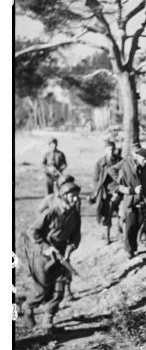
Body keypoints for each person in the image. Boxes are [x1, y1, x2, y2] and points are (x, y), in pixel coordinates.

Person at [22, 182, 82, 333]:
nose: (75, 199)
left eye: (76, 195)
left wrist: (70, 248)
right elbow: (32, 231)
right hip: (42, 255)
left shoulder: (75, 215)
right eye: (72, 195)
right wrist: (46, 248)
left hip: (60, 255)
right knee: (42, 291)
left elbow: (76, 236)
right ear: (63, 196)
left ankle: (48, 319)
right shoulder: (51, 213)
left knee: (60, 289)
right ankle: (28, 307)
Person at [117, 148, 146, 259]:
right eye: (143, 159)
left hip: (144, 201)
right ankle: (129, 249)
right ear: (137, 157)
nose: (145, 161)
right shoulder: (126, 166)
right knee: (130, 226)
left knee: (142, 224)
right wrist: (130, 190)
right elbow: (118, 185)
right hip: (130, 201)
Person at [91, 141, 121, 245]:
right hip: (105, 192)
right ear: (105, 150)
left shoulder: (119, 161)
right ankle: (107, 236)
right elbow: (95, 180)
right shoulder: (99, 163)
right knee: (106, 214)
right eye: (108, 149)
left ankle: (121, 234)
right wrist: (97, 191)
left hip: (118, 191)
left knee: (121, 214)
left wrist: (118, 191)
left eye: (112, 149)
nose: (111, 152)